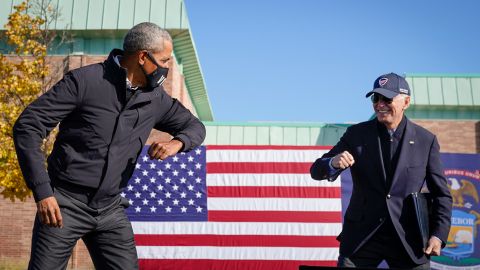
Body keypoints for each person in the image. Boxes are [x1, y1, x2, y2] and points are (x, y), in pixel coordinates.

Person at [13, 22, 206, 270]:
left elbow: (196, 127)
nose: (167, 67)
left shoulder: (156, 98)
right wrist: (43, 192)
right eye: (165, 60)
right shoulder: (84, 82)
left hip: (110, 209)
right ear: (143, 57)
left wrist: (177, 143)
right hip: (63, 205)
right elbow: (28, 126)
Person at [310, 72, 452, 269]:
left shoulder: (426, 140)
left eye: (387, 98)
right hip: (361, 238)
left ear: (406, 102)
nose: (380, 104)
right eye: (376, 98)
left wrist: (438, 234)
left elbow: (442, 195)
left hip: (408, 238)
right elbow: (316, 169)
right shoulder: (356, 134)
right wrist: (332, 163)